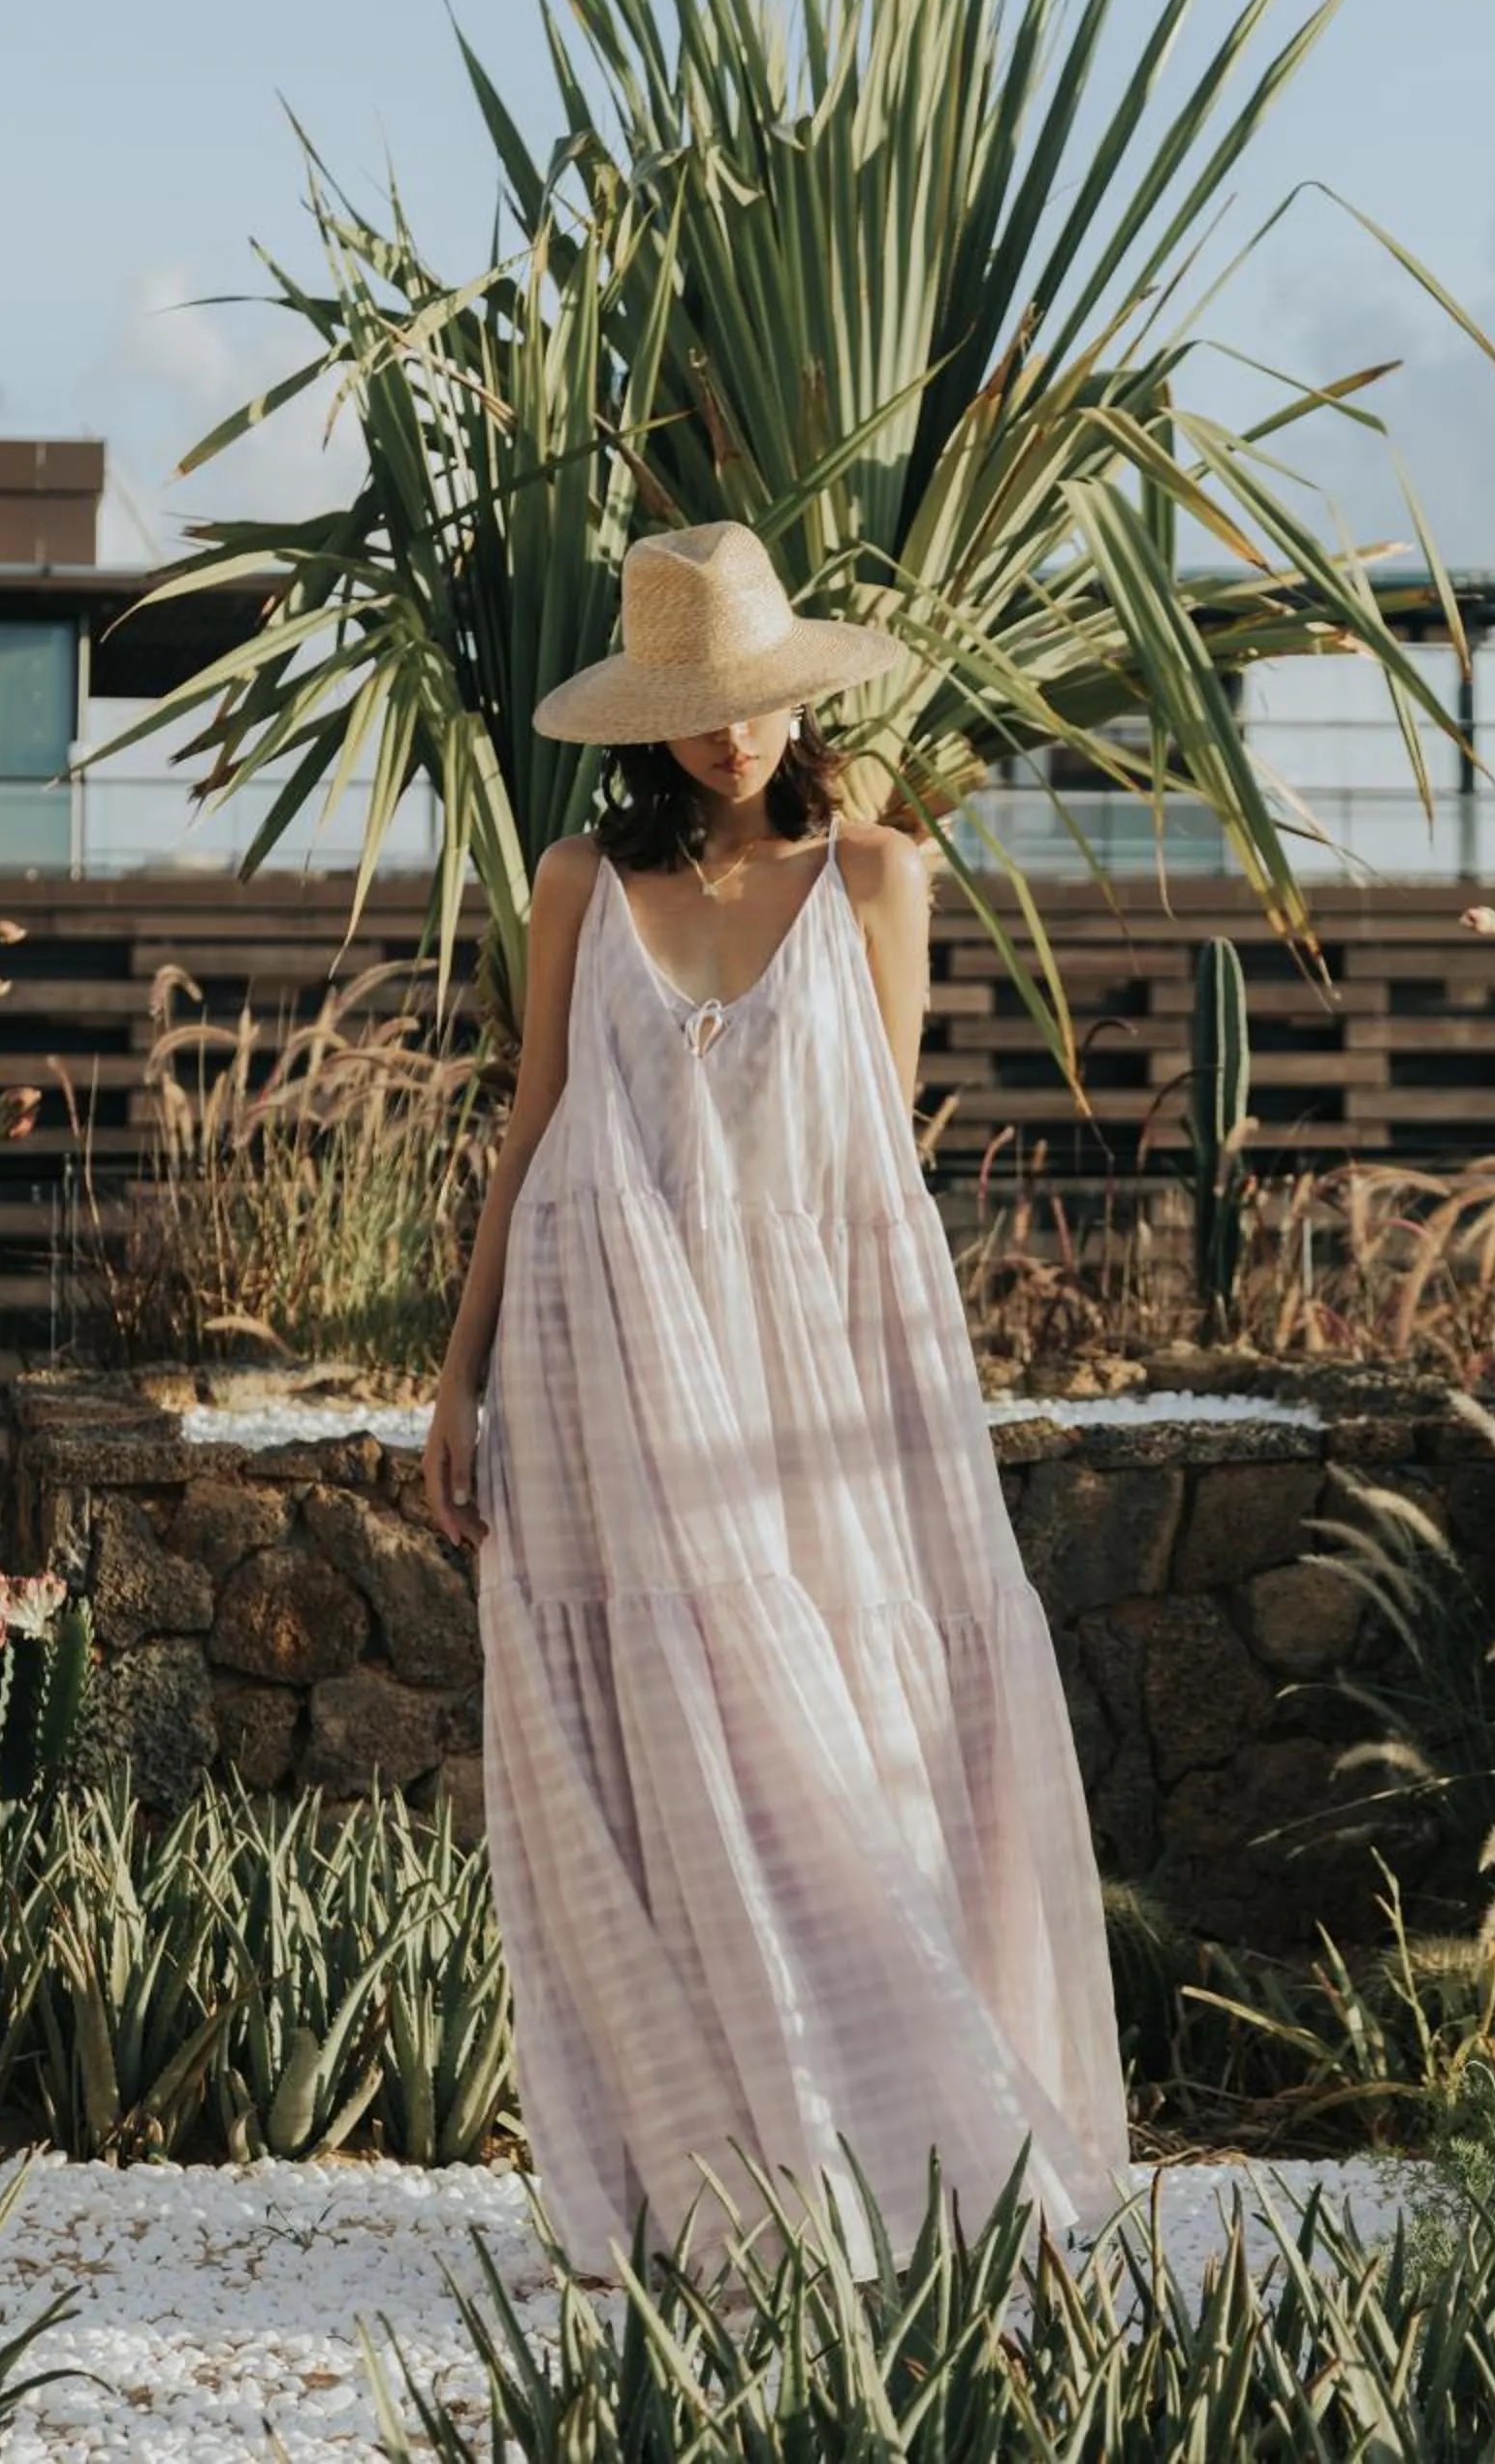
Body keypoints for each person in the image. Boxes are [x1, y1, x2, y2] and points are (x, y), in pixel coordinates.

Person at [421, 520, 1132, 2294]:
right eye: (692, 706)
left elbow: (867, 1171)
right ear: (647, 720)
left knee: (854, 1731)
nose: (726, 734)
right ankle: (699, 2176)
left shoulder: (882, 877)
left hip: (803, 1363)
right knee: (643, 1747)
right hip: (597, 1357)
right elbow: (531, 1132)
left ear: (792, 700)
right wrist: (458, 1370)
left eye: (748, 699)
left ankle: (912, 2148)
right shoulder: (581, 880)